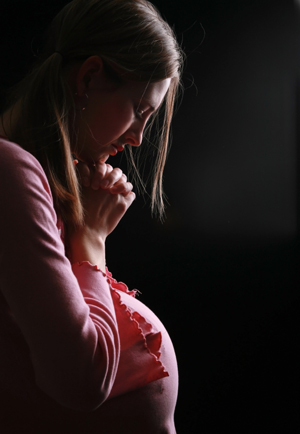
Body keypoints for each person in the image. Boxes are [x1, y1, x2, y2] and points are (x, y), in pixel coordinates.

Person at [0, 0, 183, 432]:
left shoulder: (40, 181)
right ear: (88, 77)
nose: (139, 138)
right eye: (140, 111)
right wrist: (93, 239)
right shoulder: (10, 170)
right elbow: (82, 380)